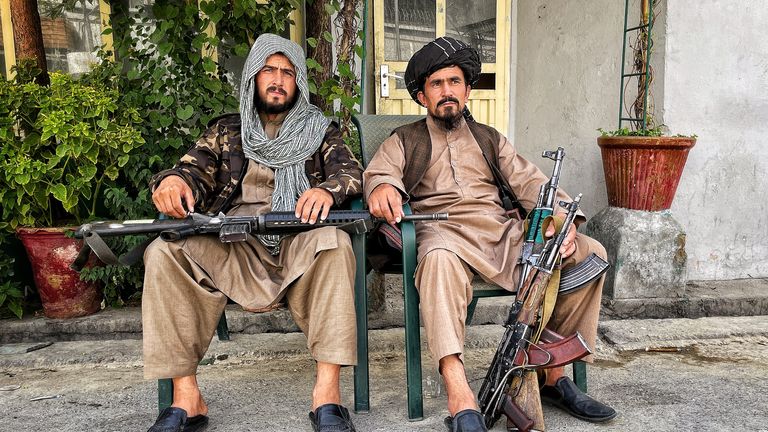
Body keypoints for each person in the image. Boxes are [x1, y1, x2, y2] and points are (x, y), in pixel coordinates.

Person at [364, 37, 617, 432]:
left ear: (467, 90)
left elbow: (531, 183)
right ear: (421, 96)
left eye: (454, 82)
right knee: (438, 260)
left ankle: (554, 373)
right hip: (441, 232)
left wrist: (558, 220)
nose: (447, 91)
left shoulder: (488, 138)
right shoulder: (404, 140)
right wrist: (382, 189)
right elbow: (381, 176)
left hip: (501, 233)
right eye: (436, 84)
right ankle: (458, 390)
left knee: (588, 250)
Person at [142, 33, 361, 432]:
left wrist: (326, 190)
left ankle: (327, 396)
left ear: (298, 84)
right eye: (268, 70)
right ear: (253, 79)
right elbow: (192, 169)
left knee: (335, 243)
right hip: (233, 244)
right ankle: (187, 397)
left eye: (287, 72)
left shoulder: (321, 130)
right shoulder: (227, 131)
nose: (277, 80)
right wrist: (174, 182)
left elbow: (349, 174)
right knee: (163, 252)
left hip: (297, 241)